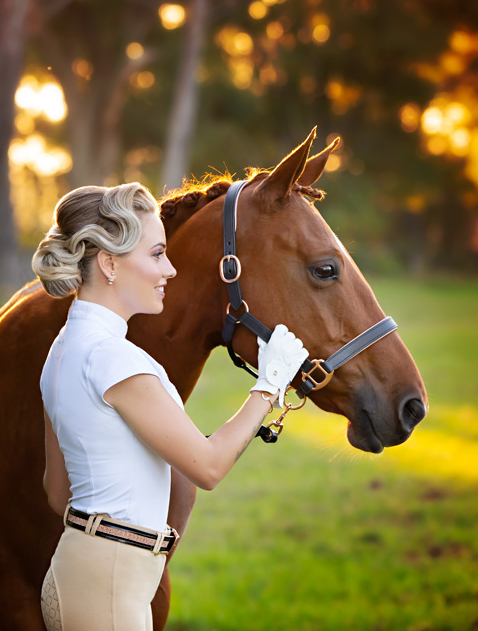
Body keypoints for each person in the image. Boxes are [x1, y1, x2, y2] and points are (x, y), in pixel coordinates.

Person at [32, 182, 309, 631]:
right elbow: (208, 467)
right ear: (109, 263)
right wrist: (270, 382)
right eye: (157, 254)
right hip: (109, 589)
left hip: (81, 575)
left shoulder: (61, 350)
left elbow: (57, 491)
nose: (171, 270)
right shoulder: (114, 358)